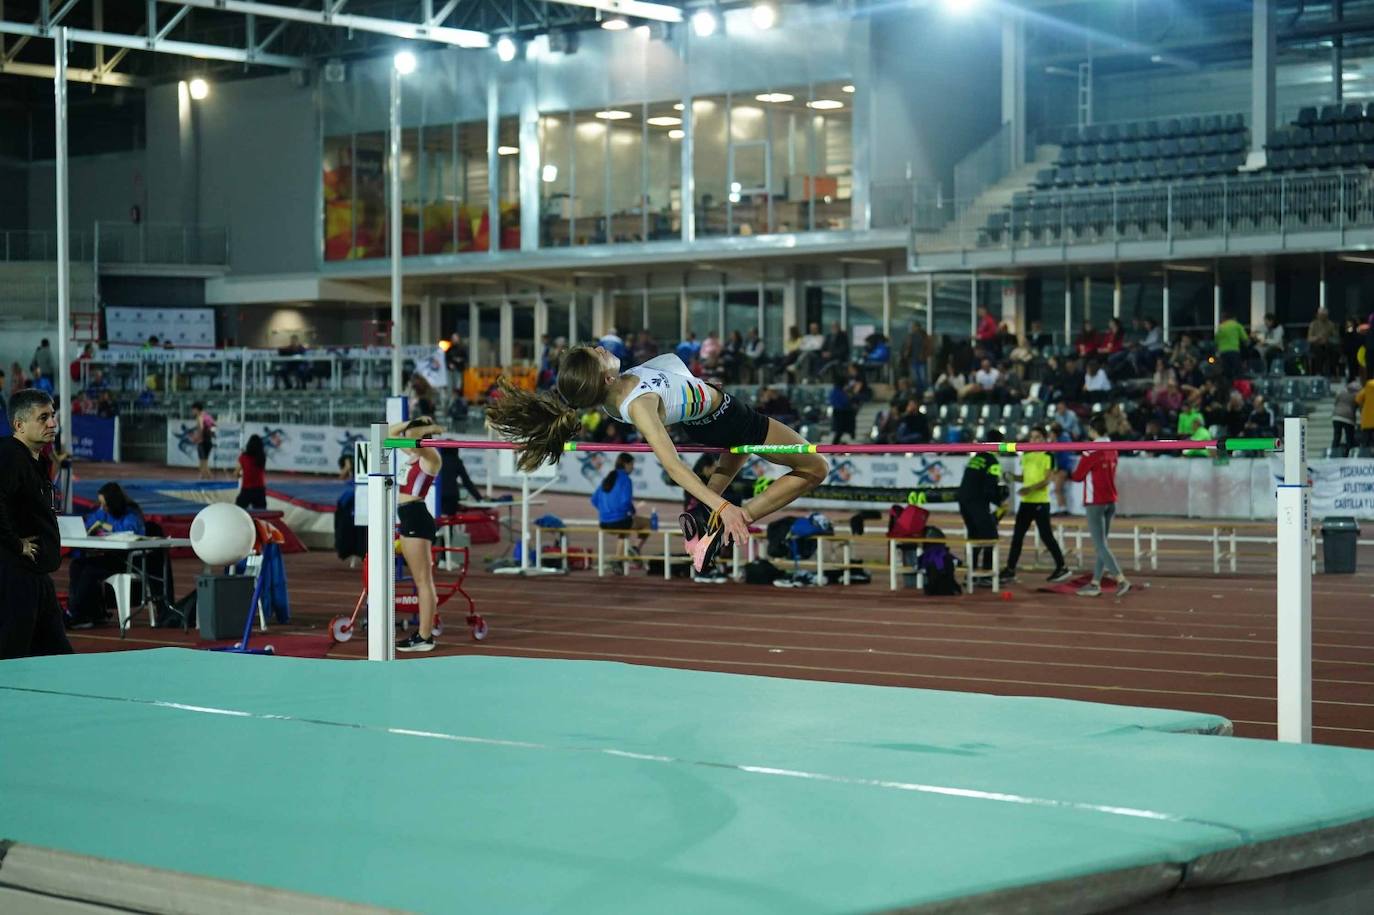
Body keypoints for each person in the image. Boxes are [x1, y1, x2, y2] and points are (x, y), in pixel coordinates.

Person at [487, 347, 827, 573]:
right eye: (599, 354)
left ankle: (703, 521)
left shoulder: (618, 388)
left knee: (728, 467)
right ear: (606, 378)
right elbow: (673, 464)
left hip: (714, 422)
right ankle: (731, 518)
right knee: (814, 468)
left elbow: (668, 379)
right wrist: (727, 508)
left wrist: (699, 387)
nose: (603, 349)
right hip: (732, 419)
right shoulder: (637, 405)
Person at [0, 391, 72, 658]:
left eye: (52, 415)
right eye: (43, 417)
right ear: (19, 425)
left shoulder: (36, 461)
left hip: (36, 577)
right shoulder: (9, 455)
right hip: (14, 577)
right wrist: (16, 544)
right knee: (13, 655)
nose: (52, 423)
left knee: (57, 654)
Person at [391, 417, 445, 652]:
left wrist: (427, 428)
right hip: (408, 517)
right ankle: (424, 634)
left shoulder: (431, 456)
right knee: (421, 580)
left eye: (412, 431)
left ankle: (424, 636)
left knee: (423, 581)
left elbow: (406, 440)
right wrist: (409, 423)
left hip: (417, 517)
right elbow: (387, 436)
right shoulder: (413, 454)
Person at [66, 483, 146, 629]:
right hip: (109, 557)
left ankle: (80, 614)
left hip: (127, 561)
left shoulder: (131, 513)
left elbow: (130, 531)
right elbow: (92, 522)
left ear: (113, 503)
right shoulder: (103, 512)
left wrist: (107, 527)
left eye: (104, 504)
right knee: (77, 565)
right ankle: (86, 612)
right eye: (101, 503)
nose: (102, 507)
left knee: (90, 571)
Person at [1070, 415, 1131, 597]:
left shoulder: (1091, 450)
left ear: (1092, 430)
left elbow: (1078, 476)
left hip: (1095, 501)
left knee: (1100, 546)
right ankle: (1095, 583)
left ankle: (1120, 579)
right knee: (1102, 545)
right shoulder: (1113, 448)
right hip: (1110, 500)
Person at [1001, 427, 1071, 584]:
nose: (1034, 440)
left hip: (1040, 503)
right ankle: (1010, 569)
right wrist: (1013, 477)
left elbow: (1047, 480)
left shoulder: (1048, 455)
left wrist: (1029, 489)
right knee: (1017, 537)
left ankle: (1062, 567)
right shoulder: (1026, 455)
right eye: (1032, 437)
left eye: (1038, 437)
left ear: (1044, 439)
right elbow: (1025, 477)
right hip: (1026, 503)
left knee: (1046, 536)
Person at [956, 432, 1007, 581]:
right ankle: (986, 573)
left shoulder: (976, 458)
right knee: (991, 537)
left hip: (964, 501)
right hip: (977, 502)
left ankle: (971, 574)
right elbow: (989, 490)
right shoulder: (993, 463)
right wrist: (1000, 502)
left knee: (974, 536)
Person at [591, 453, 651, 565]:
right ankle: (635, 548)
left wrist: (606, 511)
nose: (633, 467)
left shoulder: (608, 478)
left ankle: (618, 560)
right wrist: (632, 511)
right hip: (619, 522)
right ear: (625, 464)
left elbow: (594, 500)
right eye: (632, 464)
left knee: (624, 526)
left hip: (603, 522)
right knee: (649, 523)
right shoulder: (625, 479)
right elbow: (626, 501)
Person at [235, 434, 268, 510]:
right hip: (260, 490)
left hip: (247, 490)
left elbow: (236, 473)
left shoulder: (243, 457)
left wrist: (241, 475)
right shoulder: (262, 457)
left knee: (238, 510)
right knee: (262, 513)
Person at [1214, 312, 1247, 379]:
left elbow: (1216, 340)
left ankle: (1228, 386)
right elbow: (1245, 338)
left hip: (1223, 352)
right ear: (1234, 318)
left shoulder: (1221, 327)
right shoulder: (1237, 325)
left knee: (1227, 372)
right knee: (1237, 371)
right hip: (1234, 350)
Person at [1308, 308, 1340, 378]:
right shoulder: (1313, 324)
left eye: (1325, 315)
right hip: (1316, 345)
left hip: (1328, 345)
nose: (1323, 317)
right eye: (1321, 315)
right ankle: (1318, 373)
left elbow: (1336, 339)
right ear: (1317, 315)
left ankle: (1333, 374)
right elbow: (1309, 339)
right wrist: (1318, 338)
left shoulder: (1331, 324)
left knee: (1334, 352)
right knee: (1318, 351)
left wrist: (1327, 339)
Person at [190, 403, 216, 480]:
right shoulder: (208, 416)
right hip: (208, 442)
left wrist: (196, 439)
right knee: (204, 463)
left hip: (202, 442)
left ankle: (209, 480)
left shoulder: (199, 417)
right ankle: (207, 480)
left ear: (196, 409)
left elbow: (201, 428)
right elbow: (214, 426)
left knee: (202, 465)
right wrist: (212, 435)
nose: (192, 412)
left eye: (193, 410)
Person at [1333, 382, 1360, 451]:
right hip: (1348, 418)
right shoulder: (1356, 396)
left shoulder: (1341, 393)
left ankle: (1334, 452)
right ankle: (1349, 452)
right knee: (1349, 436)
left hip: (1336, 416)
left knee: (1337, 436)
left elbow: (1336, 403)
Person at [1356, 377, 1374, 447]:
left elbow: (1358, 399)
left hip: (1367, 419)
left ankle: (1365, 453)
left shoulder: (1368, 386)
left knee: (1366, 439)